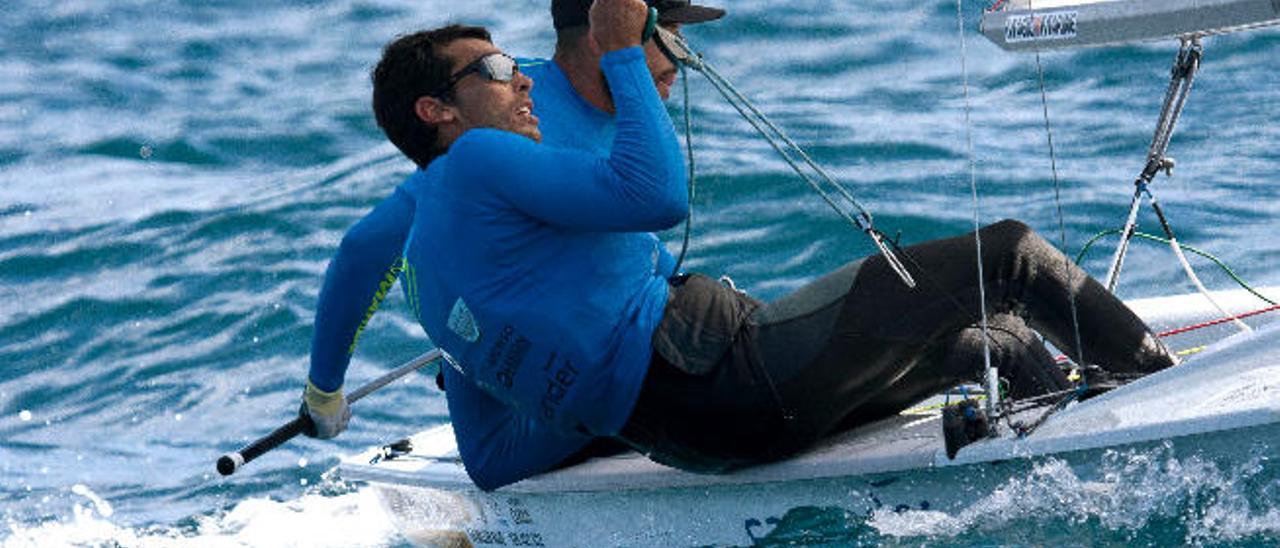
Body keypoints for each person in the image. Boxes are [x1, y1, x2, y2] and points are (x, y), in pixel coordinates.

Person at [310, 2, 1178, 491]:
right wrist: (618, 56)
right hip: (716, 371)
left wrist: (326, 391)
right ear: (440, 111)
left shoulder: (425, 249)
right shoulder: (483, 158)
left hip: (688, 427)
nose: (520, 80)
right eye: (499, 73)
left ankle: (1089, 471)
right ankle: (1166, 419)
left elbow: (402, 286)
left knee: (986, 343)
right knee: (1014, 256)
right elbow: (656, 197)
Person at [299, 0, 724, 450]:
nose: (683, 55)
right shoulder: (509, 121)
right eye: (669, 33)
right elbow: (366, 250)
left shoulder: (629, 115)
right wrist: (325, 389)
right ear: (607, 30)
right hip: (520, 420)